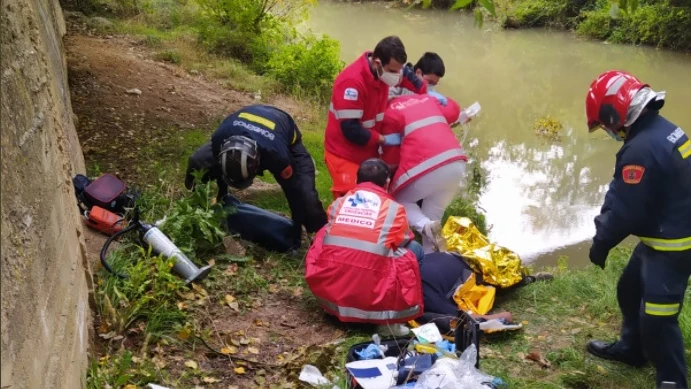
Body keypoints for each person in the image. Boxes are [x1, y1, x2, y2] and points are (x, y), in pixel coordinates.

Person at [584, 70, 691, 389]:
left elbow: (626, 210)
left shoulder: (641, 149)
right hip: (665, 233)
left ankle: (672, 381)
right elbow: (623, 192)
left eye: (605, 125)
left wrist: (601, 243)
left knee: (657, 320)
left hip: (675, 247)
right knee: (629, 289)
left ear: (614, 113)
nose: (608, 131)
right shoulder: (663, 130)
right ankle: (633, 349)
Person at [305, 158, 425, 336]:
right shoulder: (394, 209)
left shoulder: (339, 203)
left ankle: (336, 307)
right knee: (415, 251)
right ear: (387, 183)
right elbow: (403, 240)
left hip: (329, 297)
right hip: (372, 299)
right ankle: (388, 321)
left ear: (356, 180)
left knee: (324, 234)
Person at [185, 104, 327, 239]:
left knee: (306, 196)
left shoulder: (277, 156)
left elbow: (292, 190)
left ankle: (321, 236)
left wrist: (294, 230)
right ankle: (204, 204)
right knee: (198, 163)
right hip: (243, 122)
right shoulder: (220, 138)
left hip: (282, 128)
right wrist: (219, 198)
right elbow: (213, 166)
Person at [324, 36, 432, 199]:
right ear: (377, 63)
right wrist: (383, 139)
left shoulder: (385, 70)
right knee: (353, 200)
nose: (397, 76)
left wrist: (429, 94)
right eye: (394, 71)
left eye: (399, 70)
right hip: (344, 153)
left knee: (377, 198)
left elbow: (409, 78)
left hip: (368, 152)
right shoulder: (352, 83)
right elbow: (351, 130)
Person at [380, 94, 468, 253]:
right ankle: (433, 264)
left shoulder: (389, 112)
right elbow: (453, 110)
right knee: (433, 216)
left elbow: (391, 158)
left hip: (426, 166)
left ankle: (424, 226)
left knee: (398, 201)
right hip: (456, 163)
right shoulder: (427, 99)